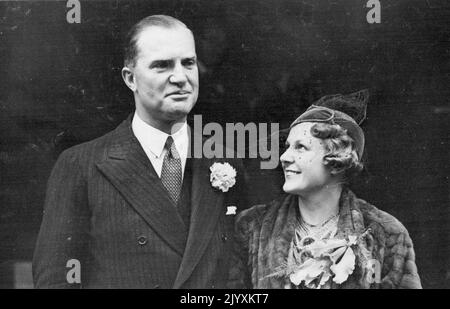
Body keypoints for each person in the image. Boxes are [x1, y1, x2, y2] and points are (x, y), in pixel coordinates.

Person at [33, 15, 247, 288]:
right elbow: (56, 280)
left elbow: (239, 274)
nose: (180, 77)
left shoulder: (225, 162)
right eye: (162, 65)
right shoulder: (81, 165)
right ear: (130, 78)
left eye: (188, 63)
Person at [228, 90, 422, 289]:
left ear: (337, 159)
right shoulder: (252, 227)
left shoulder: (386, 232)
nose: (284, 157)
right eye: (287, 147)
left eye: (301, 147)